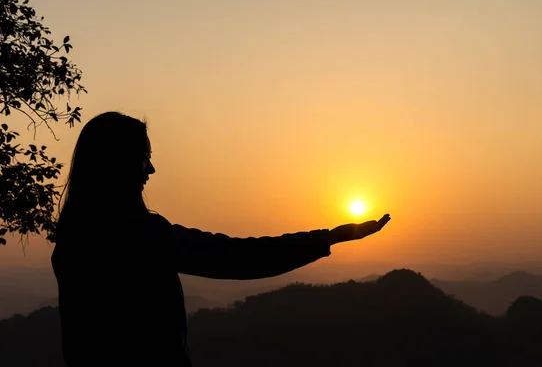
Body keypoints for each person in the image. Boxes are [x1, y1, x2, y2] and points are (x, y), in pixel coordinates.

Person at [51, 111, 391, 366]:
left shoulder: (75, 236)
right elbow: (235, 256)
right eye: (144, 159)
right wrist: (327, 238)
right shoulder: (137, 236)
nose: (150, 171)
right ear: (117, 163)